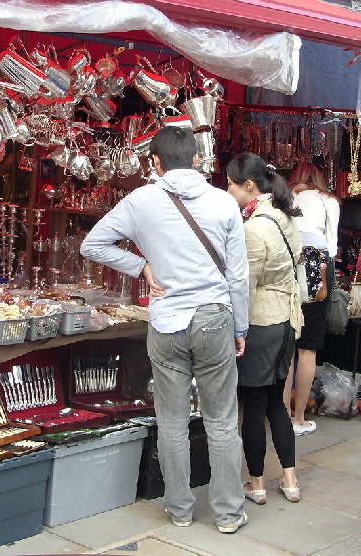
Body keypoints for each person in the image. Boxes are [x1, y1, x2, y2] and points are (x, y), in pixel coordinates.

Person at [81, 126, 249, 534]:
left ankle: (179, 509)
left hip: (167, 321)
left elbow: (93, 245)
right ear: (196, 159)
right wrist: (240, 327)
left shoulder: (140, 200)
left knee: (171, 421)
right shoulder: (224, 203)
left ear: (154, 162)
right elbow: (239, 277)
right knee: (222, 421)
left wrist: (141, 267)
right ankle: (228, 514)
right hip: (213, 317)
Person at [226, 153, 304, 506]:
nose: (227, 189)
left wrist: (235, 327)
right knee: (276, 401)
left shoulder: (254, 227)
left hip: (262, 322)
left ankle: (256, 484)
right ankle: (290, 480)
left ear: (248, 186)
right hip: (287, 320)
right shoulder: (285, 215)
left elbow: (245, 284)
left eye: (230, 183)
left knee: (254, 405)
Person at [283, 163, 340, 436]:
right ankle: (299, 418)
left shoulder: (284, 197)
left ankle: (281, 415)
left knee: (287, 343)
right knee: (308, 346)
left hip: (287, 262)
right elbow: (331, 243)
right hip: (317, 262)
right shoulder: (327, 200)